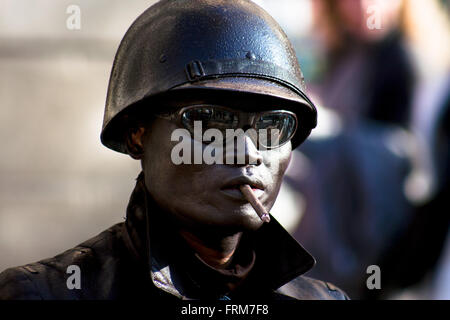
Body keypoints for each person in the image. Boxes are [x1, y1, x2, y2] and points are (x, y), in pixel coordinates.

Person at [0, 0, 348, 300]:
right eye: (209, 121)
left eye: (273, 125)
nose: (247, 151)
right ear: (138, 134)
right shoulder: (44, 293)